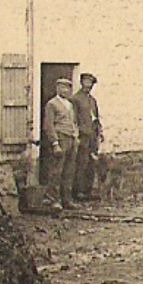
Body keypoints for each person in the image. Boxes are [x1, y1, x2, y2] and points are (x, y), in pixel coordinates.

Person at [41, 77, 80, 210]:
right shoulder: (52, 104)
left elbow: (73, 122)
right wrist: (55, 143)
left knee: (69, 171)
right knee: (56, 171)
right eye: (62, 87)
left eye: (67, 88)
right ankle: (53, 199)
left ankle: (67, 199)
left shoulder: (69, 104)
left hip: (71, 139)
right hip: (60, 138)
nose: (65, 90)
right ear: (57, 89)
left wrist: (76, 137)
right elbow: (48, 125)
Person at [70, 73, 102, 202]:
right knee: (81, 162)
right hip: (83, 134)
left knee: (91, 162)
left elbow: (96, 117)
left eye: (91, 84)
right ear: (81, 83)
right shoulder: (76, 99)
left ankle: (88, 190)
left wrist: (100, 131)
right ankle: (78, 191)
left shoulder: (92, 100)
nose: (88, 86)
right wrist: (76, 133)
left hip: (93, 135)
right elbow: (74, 118)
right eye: (86, 82)